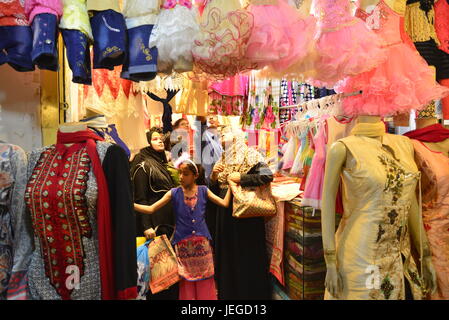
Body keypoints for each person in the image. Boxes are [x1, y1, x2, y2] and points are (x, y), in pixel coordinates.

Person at [134, 156, 233, 300]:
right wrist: (129, 204)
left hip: (202, 244)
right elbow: (151, 209)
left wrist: (231, 185)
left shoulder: (204, 190)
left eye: (185, 174)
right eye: (180, 173)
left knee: (205, 279)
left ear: (195, 175)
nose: (181, 177)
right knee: (186, 280)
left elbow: (224, 203)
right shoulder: (173, 193)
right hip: (182, 245)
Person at [209, 126, 274, 300]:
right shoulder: (223, 158)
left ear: (237, 136)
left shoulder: (250, 154)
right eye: (221, 132)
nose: (222, 133)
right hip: (225, 215)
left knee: (246, 255)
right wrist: (214, 178)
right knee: (228, 255)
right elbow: (215, 191)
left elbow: (267, 175)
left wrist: (242, 178)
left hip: (246, 216)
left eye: (226, 131)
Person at [130, 126, 178, 300]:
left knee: (166, 267)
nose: (160, 141)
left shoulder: (159, 162)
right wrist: (146, 226)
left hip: (165, 222)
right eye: (155, 138)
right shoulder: (143, 164)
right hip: (153, 225)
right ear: (147, 142)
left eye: (160, 138)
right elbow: (140, 197)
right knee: (155, 269)